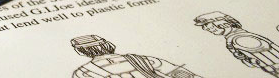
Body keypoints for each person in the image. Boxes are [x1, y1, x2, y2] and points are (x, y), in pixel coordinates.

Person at [195, 12, 279, 77]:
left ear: (223, 23)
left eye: (208, 25)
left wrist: (250, 60)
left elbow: (269, 59)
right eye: (205, 27)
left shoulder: (240, 38)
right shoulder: (236, 38)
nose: (207, 29)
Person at [70, 35, 202, 78]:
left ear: (80, 51)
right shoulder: (142, 59)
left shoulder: (84, 73)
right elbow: (182, 74)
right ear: (108, 44)